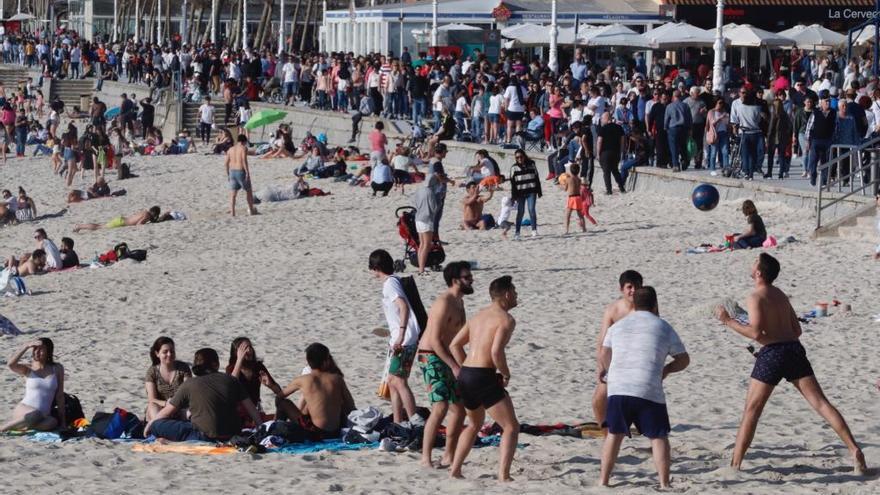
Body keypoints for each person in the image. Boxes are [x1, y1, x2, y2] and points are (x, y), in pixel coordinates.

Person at [715, 254, 867, 474]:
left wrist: (727, 321)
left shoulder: (756, 296)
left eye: (754, 262)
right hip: (794, 350)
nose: (751, 265)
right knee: (821, 403)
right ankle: (854, 449)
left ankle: (735, 465)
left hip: (773, 355)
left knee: (752, 410)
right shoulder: (781, 295)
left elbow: (756, 333)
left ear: (759, 272)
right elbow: (797, 330)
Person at [598, 287, 690, 489]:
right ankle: (664, 483)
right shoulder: (663, 326)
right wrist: (667, 369)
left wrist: (610, 371)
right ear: (655, 305)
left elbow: (604, 353)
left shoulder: (618, 326)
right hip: (648, 388)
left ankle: (604, 480)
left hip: (619, 388)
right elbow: (684, 360)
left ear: (634, 305)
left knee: (614, 435)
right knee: (658, 436)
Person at [449, 275, 519, 482]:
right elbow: (496, 351)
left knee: (474, 424)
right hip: (482, 375)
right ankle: (504, 475)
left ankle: (455, 469)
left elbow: (455, 345)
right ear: (506, 294)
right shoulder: (506, 319)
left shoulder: (478, 316)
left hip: (467, 374)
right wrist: (505, 373)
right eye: (514, 292)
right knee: (511, 427)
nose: (516, 296)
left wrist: (465, 369)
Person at [418, 261, 473, 468]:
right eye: (467, 277)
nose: (471, 280)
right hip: (431, 356)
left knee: (459, 410)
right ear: (455, 280)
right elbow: (434, 340)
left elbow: (455, 340)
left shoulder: (460, 302)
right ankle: (426, 457)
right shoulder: (444, 303)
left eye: (470, 276)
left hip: (447, 355)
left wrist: (467, 365)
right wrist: (454, 365)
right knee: (440, 407)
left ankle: (449, 456)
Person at [145, 348, 262, 442]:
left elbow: (166, 412)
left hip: (203, 435)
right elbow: (252, 410)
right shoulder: (232, 380)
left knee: (158, 425)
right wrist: (261, 429)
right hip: (232, 433)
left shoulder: (190, 384)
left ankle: (170, 441)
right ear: (216, 365)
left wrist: (151, 424)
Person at [260, 343, 357, 440]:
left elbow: (280, 397)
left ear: (308, 361)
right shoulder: (337, 379)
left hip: (315, 433)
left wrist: (272, 387)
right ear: (326, 361)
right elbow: (350, 406)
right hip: (336, 432)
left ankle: (274, 433)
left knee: (284, 403)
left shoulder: (303, 380)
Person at [368, 249, 421, 422]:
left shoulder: (390, 284)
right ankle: (398, 421)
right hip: (404, 336)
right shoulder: (394, 281)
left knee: (398, 381)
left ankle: (415, 420)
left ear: (376, 267)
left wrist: (401, 334)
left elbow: (403, 307)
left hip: (404, 338)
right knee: (393, 381)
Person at [593, 270, 644, 431]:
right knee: (599, 398)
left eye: (637, 286)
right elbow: (602, 340)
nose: (633, 291)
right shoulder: (613, 310)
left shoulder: (646, 307)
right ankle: (606, 431)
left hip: (639, 358)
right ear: (621, 289)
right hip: (616, 360)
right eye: (629, 287)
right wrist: (601, 366)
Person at [1, 339, 64, 432]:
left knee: (53, 422)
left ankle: (24, 427)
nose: (37, 352)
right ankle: (2, 428)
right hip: (24, 410)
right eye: (34, 349)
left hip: (43, 416)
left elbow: (59, 396)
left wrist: (63, 423)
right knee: (35, 415)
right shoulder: (28, 368)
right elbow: (11, 365)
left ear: (48, 351)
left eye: (41, 349)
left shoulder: (57, 368)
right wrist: (26, 346)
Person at [226, 337, 274, 425]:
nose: (249, 350)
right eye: (244, 349)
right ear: (236, 352)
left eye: (250, 347)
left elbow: (276, 389)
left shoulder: (258, 366)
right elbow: (232, 383)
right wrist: (239, 360)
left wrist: (270, 385)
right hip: (239, 414)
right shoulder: (232, 368)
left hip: (255, 411)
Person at [144, 336, 192, 421]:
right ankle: (160, 430)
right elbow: (152, 399)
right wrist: (166, 403)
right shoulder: (152, 372)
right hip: (161, 409)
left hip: (180, 408)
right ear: (157, 353)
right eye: (165, 352)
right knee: (152, 407)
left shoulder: (183, 368)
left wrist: (175, 403)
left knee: (191, 412)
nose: (169, 354)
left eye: (172, 351)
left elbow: (188, 393)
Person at [412, 174, 441, 275]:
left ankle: (421, 267)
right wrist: (439, 200)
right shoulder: (430, 192)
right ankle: (421, 269)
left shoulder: (419, 190)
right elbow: (434, 208)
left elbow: (414, 202)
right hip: (427, 220)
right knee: (426, 245)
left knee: (421, 245)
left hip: (418, 218)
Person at [509, 149, 541, 240]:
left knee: (531, 210)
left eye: (521, 157)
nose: (519, 159)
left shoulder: (532, 165)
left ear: (524, 156)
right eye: (517, 157)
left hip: (531, 191)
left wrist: (539, 192)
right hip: (520, 193)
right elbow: (513, 184)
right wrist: (513, 197)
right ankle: (517, 232)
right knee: (520, 212)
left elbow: (537, 178)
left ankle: (534, 230)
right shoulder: (513, 168)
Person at [225, 135, 258, 217]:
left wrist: (228, 174)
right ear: (244, 141)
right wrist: (247, 172)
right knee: (248, 191)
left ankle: (233, 213)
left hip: (232, 171)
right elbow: (244, 160)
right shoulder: (243, 148)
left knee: (233, 194)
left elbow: (226, 163)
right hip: (240, 171)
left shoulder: (230, 149)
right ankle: (251, 210)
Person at [596, 112, 628, 195]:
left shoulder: (603, 128)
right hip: (616, 152)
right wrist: (621, 151)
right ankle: (622, 188)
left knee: (606, 172)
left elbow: (599, 142)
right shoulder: (619, 127)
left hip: (605, 152)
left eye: (602, 119)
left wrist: (598, 154)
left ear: (607, 118)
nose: (601, 121)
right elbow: (622, 140)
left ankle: (609, 190)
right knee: (615, 170)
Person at [73, 206, 160, 232]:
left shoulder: (144, 211)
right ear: (154, 214)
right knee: (98, 227)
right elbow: (139, 224)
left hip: (121, 219)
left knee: (99, 225)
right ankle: (80, 226)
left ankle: (80, 226)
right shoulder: (147, 216)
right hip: (121, 223)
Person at [563, 163, 587, 234]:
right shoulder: (579, 179)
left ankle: (566, 230)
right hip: (578, 197)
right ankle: (584, 229)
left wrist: (562, 183)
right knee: (580, 215)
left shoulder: (569, 179)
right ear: (578, 171)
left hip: (572, 198)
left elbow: (565, 189)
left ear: (570, 171)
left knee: (567, 215)